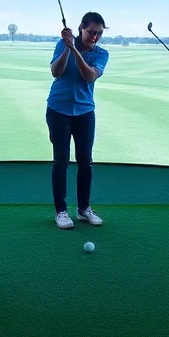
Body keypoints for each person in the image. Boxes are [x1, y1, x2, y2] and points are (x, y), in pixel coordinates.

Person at [46, 12, 109, 229]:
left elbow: (89, 75)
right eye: (92, 32)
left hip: (84, 113)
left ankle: (83, 209)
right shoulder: (61, 44)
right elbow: (56, 72)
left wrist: (74, 49)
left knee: (85, 162)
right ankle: (61, 211)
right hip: (58, 110)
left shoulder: (102, 53)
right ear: (81, 27)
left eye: (99, 34)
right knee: (60, 160)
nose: (95, 37)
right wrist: (66, 48)